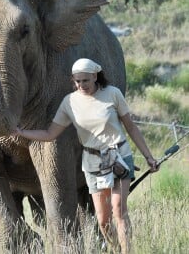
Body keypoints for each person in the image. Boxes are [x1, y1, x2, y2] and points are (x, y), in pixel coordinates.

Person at [12, 58, 159, 254]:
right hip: (92, 162)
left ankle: (127, 251)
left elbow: (131, 127)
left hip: (119, 156)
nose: (81, 85)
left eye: (85, 81)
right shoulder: (69, 102)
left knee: (119, 210)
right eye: (77, 81)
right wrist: (22, 133)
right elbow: (50, 134)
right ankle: (114, 249)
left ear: (95, 76)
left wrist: (148, 156)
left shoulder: (112, 94)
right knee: (103, 219)